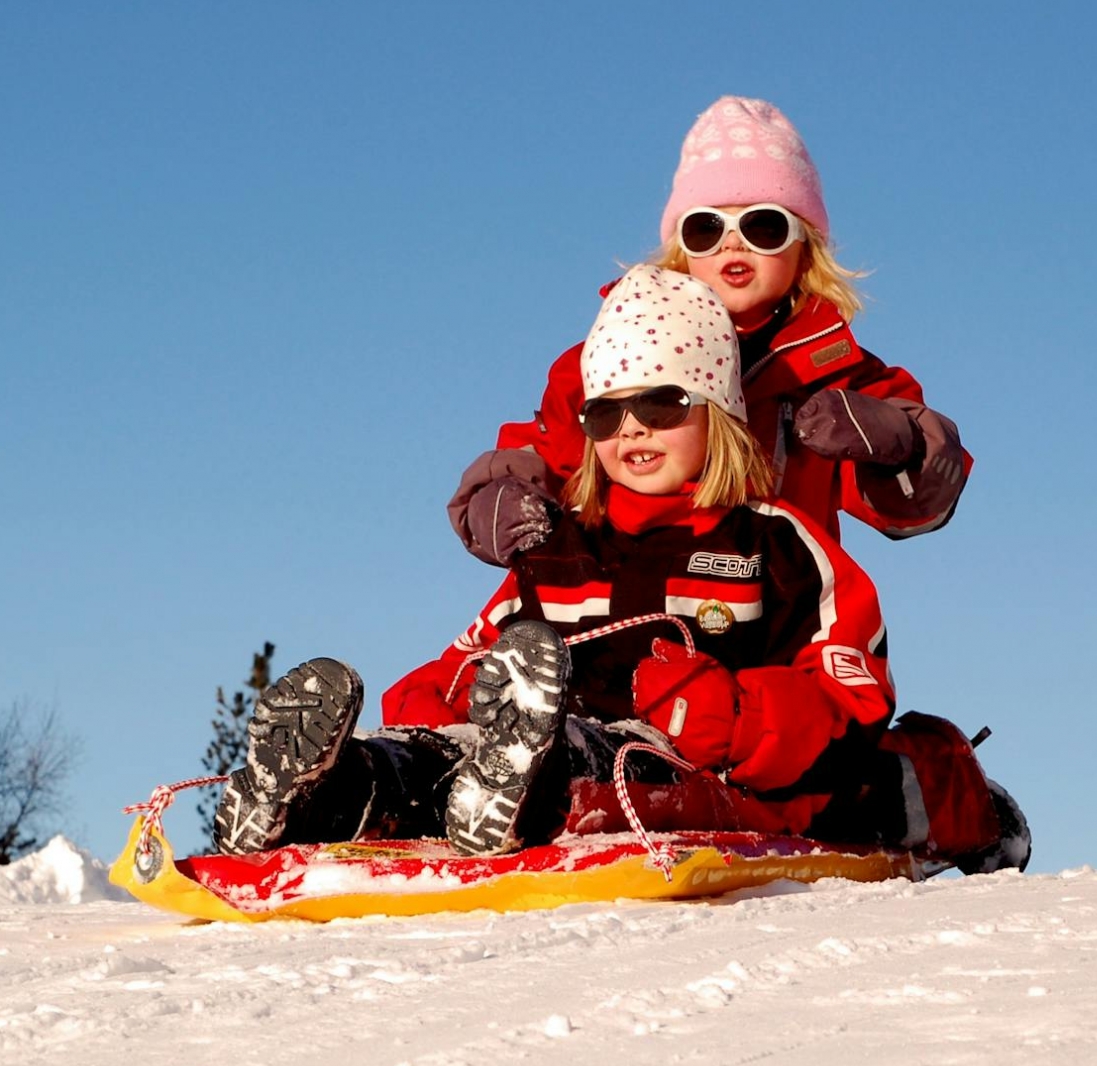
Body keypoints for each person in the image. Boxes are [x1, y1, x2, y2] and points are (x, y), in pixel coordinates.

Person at [212, 267, 1028, 874]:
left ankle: (514, 785)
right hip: (526, 746)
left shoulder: (776, 544)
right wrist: (439, 705)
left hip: (683, 766)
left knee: (599, 765)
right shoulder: (561, 548)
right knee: (435, 758)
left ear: (718, 416)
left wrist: (732, 714)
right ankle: (326, 791)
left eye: (663, 404)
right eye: (606, 412)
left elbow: (850, 704)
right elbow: (462, 660)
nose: (632, 427)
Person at [449, 94, 971, 570]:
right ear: (683, 247)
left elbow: (915, 507)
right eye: (707, 228)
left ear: (805, 245)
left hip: (779, 607)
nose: (732, 244)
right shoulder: (617, 356)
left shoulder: (839, 374)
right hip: (634, 595)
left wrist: (897, 443)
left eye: (763, 225)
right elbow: (551, 450)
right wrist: (502, 496)